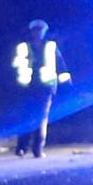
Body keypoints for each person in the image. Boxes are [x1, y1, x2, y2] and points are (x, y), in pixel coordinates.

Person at [9, 20, 66, 156]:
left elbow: (60, 64)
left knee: (41, 117)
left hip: (46, 87)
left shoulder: (51, 46)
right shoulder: (23, 47)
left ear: (44, 32)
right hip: (27, 87)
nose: (38, 33)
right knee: (26, 117)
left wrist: (66, 81)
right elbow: (15, 65)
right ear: (32, 32)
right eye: (36, 30)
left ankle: (37, 149)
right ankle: (22, 147)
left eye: (40, 30)